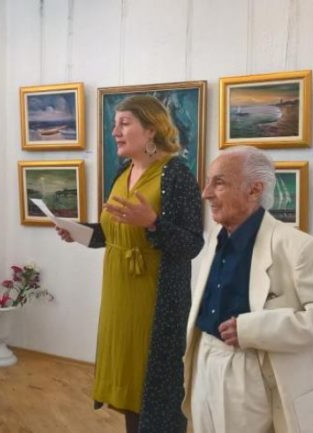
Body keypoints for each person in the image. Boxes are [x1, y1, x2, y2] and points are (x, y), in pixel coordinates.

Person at [181, 146, 313, 433]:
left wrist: (253, 329)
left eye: (219, 183)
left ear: (255, 190)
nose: (206, 193)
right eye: (208, 182)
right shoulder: (216, 236)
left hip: (250, 370)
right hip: (204, 360)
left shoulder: (298, 247)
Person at [57, 95, 203, 433]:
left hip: (155, 296)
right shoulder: (123, 172)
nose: (115, 132)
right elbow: (114, 233)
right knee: (128, 384)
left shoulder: (176, 175)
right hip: (119, 294)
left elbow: (192, 244)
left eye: (125, 123)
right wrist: (79, 233)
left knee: (153, 387)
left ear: (151, 129)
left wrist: (153, 223)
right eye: (115, 124)